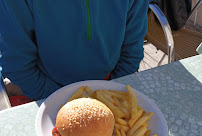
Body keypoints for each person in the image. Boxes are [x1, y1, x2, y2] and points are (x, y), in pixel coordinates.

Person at [0, 0, 149, 101]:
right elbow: (18, 65)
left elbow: (131, 52)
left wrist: (109, 94)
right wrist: (65, 102)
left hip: (110, 86)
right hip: (44, 90)